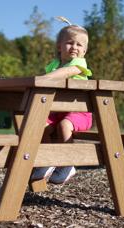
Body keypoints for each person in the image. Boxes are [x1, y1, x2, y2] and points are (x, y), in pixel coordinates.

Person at [30, 18, 93, 184]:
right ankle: (47, 160)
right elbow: (54, 74)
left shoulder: (79, 64)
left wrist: (41, 79)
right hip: (58, 111)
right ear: (59, 46)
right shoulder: (54, 65)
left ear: (84, 51)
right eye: (70, 43)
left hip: (79, 112)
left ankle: (67, 163)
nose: (74, 47)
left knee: (64, 125)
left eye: (79, 45)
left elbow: (64, 73)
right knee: (40, 125)